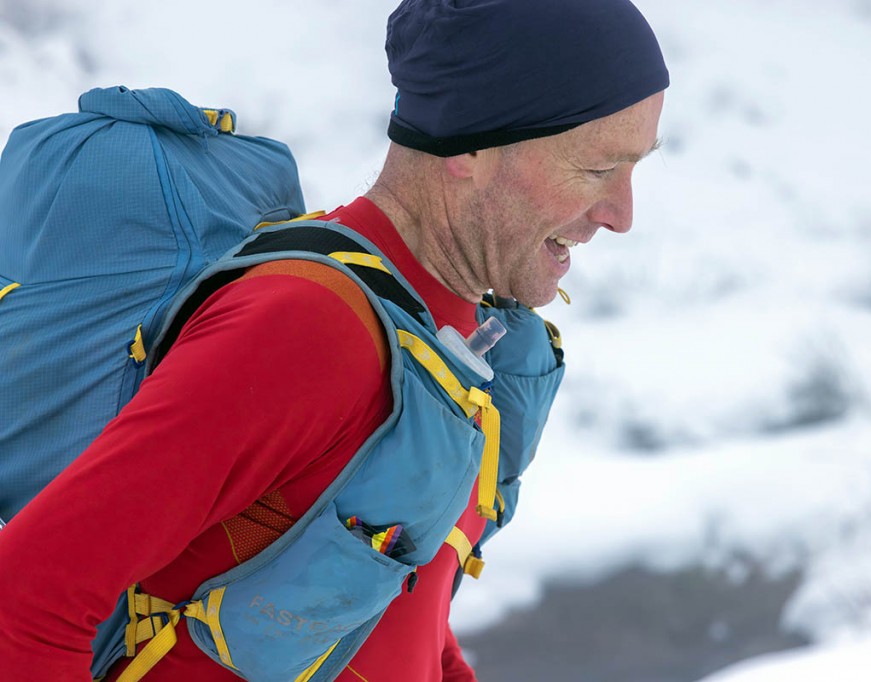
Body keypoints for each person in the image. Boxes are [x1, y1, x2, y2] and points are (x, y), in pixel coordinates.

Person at [0, 0, 667, 679]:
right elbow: (26, 600)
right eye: (595, 171)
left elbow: (395, 617)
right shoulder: (309, 329)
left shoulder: (451, 336)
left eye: (636, 167)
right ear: (472, 146)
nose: (623, 216)